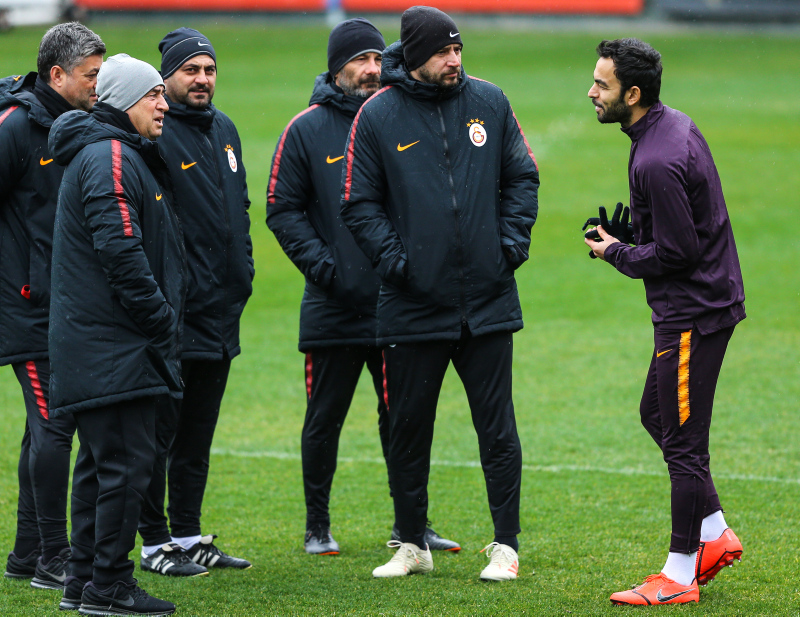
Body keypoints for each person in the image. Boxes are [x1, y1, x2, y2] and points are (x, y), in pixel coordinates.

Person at [341, 6, 539, 580]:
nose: (454, 60)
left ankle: (506, 546)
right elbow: (358, 202)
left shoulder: (490, 102)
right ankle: (412, 544)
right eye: (442, 52)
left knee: (497, 429)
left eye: (458, 49)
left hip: (487, 300)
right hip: (411, 302)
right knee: (407, 429)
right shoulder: (378, 114)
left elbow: (522, 176)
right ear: (414, 56)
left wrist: (509, 246)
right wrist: (398, 264)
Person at [267, 18, 460, 556]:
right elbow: (282, 210)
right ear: (336, 68)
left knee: (404, 418)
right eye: (360, 60)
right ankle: (317, 526)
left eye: (377, 59)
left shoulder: (400, 116)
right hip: (333, 305)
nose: (372, 69)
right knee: (324, 418)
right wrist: (328, 270)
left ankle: (411, 525)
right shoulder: (305, 129)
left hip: (398, 302)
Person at [584, 38, 745, 606]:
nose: (591, 92)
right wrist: (635, 236)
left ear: (632, 94)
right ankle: (715, 533)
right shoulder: (672, 125)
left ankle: (678, 577)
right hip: (705, 302)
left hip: (691, 315)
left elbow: (677, 253)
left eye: (601, 84)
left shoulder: (655, 158)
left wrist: (616, 252)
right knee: (656, 415)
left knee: (683, 444)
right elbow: (686, 229)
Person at [48, 53, 185, 615]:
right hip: (114, 345)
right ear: (126, 100)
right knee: (127, 467)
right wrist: (161, 320)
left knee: (99, 468)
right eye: (154, 94)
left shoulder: (111, 152)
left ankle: (83, 581)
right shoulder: (109, 156)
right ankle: (109, 585)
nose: (164, 103)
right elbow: (121, 251)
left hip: (100, 344)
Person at [137, 27, 253, 578]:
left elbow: (240, 209)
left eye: (209, 69)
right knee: (159, 435)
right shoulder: (154, 133)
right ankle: (154, 543)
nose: (202, 79)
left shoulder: (224, 128)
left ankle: (187, 533)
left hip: (220, 312)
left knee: (198, 434)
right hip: (176, 315)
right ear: (167, 78)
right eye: (190, 70)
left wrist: (243, 273)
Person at [0, 22, 105, 589]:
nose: (97, 85)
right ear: (57, 74)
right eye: (90, 75)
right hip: (27, 306)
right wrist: (21, 283)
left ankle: (26, 552)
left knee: (44, 428)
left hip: (64, 306)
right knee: (55, 424)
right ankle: (52, 555)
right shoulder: (16, 128)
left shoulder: (81, 125)